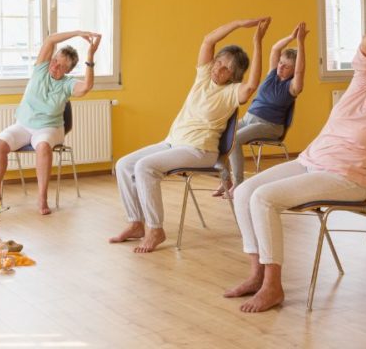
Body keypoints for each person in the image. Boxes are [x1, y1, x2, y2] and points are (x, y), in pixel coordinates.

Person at [226, 12, 366, 313]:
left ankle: (273, 285)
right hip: (310, 162)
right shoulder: (362, 85)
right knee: (243, 193)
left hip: (347, 179)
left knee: (264, 199)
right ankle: (256, 274)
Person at [109, 18, 270, 253]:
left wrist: (257, 41)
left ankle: (155, 229)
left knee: (144, 167)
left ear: (234, 76)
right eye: (218, 62)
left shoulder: (232, 92)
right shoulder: (203, 78)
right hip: (172, 142)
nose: (218, 68)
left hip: (200, 150)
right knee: (124, 164)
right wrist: (238, 24)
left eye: (227, 68)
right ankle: (136, 223)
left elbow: (253, 83)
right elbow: (209, 39)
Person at [0, 30, 101, 215]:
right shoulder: (41, 68)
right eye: (55, 60)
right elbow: (50, 39)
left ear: (68, 71)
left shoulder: (67, 84)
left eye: (61, 66)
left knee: (43, 147)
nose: (54, 66)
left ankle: (42, 198)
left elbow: (86, 86)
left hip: (50, 128)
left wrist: (90, 56)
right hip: (23, 125)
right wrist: (78, 33)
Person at [214, 23, 309, 197]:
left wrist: (301, 43)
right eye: (280, 63)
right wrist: (291, 37)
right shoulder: (272, 73)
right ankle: (225, 180)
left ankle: (239, 184)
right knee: (219, 135)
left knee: (234, 141)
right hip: (249, 118)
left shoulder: (293, 86)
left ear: (293, 71)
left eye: (286, 66)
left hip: (270, 125)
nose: (280, 66)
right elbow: (274, 49)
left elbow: (301, 69)